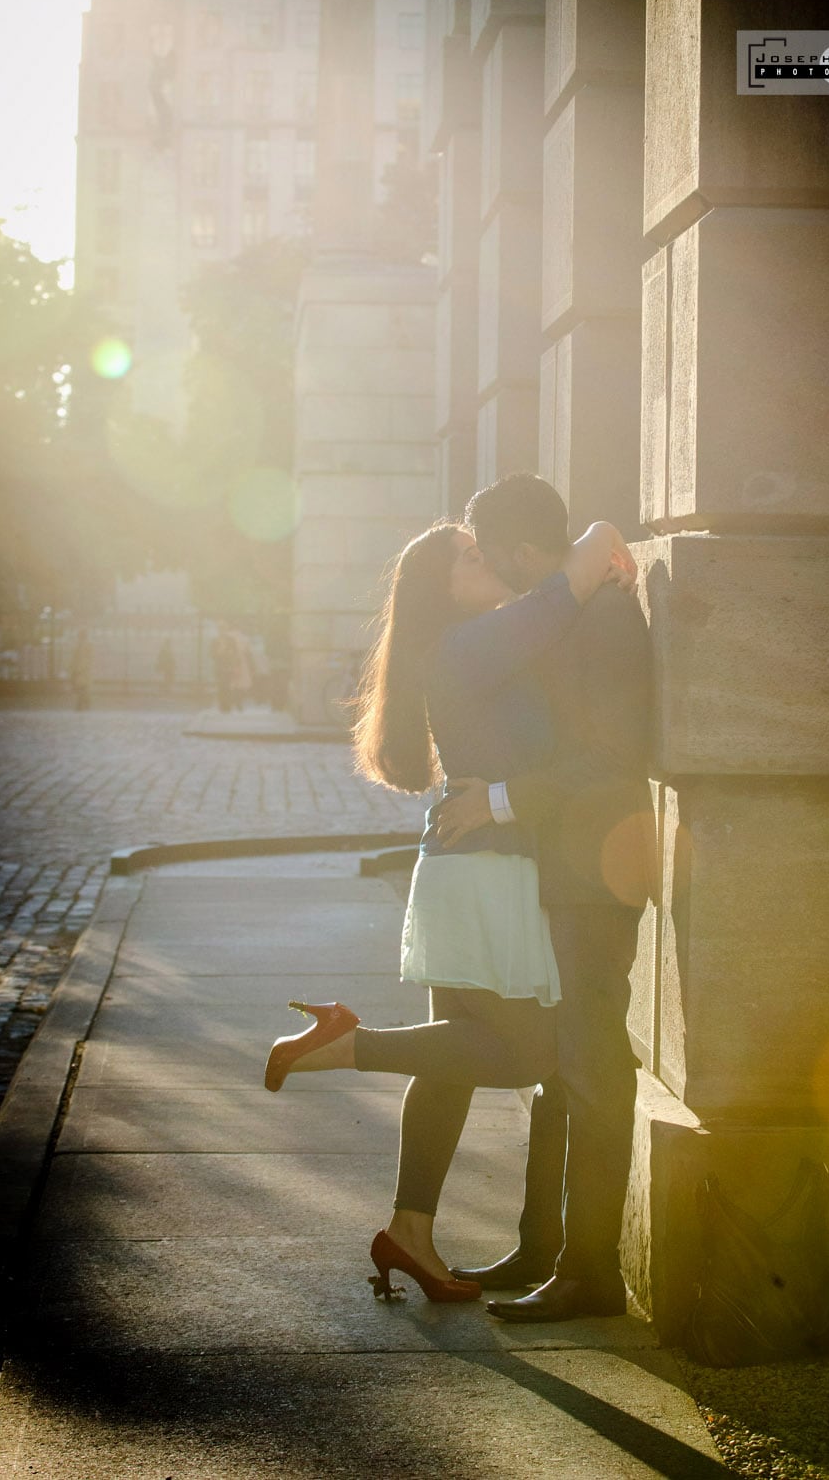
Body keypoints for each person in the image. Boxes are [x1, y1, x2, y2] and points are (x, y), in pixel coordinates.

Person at [263, 518, 636, 1305]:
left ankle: (410, 1233)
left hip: (460, 872)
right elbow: (588, 553)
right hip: (489, 878)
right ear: (445, 587)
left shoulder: (464, 645)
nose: (489, 556)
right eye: (472, 555)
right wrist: (604, 547)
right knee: (529, 1055)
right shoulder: (478, 641)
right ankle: (345, 1044)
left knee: (449, 1064)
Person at [437, 475, 656, 1323]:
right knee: (564, 1070)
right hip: (564, 866)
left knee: (594, 1068)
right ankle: (544, 1244)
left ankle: (589, 1271)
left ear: (524, 552)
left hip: (598, 874)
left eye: (493, 556)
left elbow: (609, 759)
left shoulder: (602, 616)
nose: (492, 572)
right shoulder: (572, 602)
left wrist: (496, 801)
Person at [69, 629, 93, 711]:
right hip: (84, 669)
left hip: (80, 669)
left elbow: (74, 658)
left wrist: (73, 668)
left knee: (81, 687)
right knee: (83, 687)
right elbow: (90, 658)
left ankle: (81, 704)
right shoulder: (88, 645)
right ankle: (85, 703)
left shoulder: (79, 646)